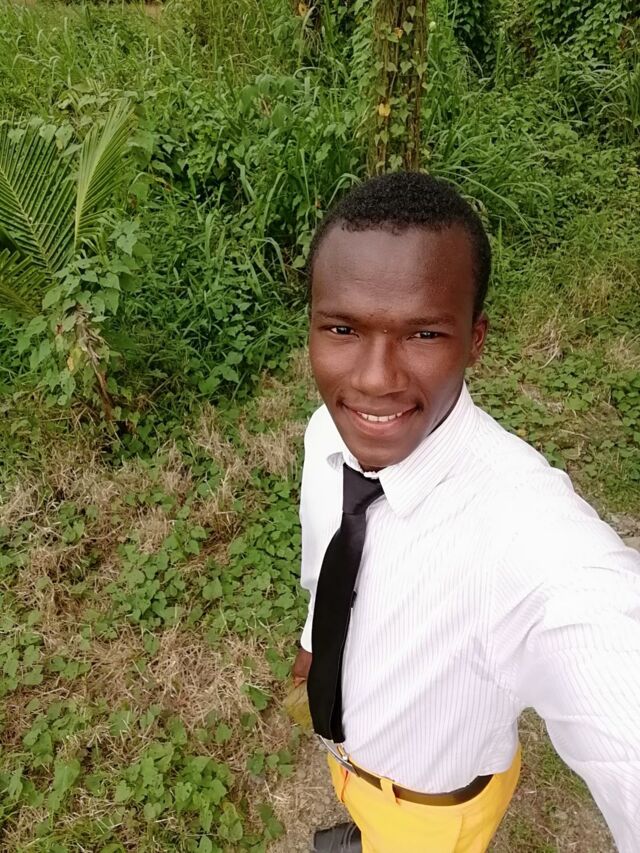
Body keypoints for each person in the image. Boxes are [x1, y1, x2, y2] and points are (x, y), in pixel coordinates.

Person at [290, 171, 640, 853]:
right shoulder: (325, 431)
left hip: (430, 818)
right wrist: (314, 634)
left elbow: (609, 650)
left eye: (423, 333)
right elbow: (326, 551)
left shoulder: (526, 533)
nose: (373, 379)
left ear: (475, 339)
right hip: (350, 764)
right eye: (342, 328)